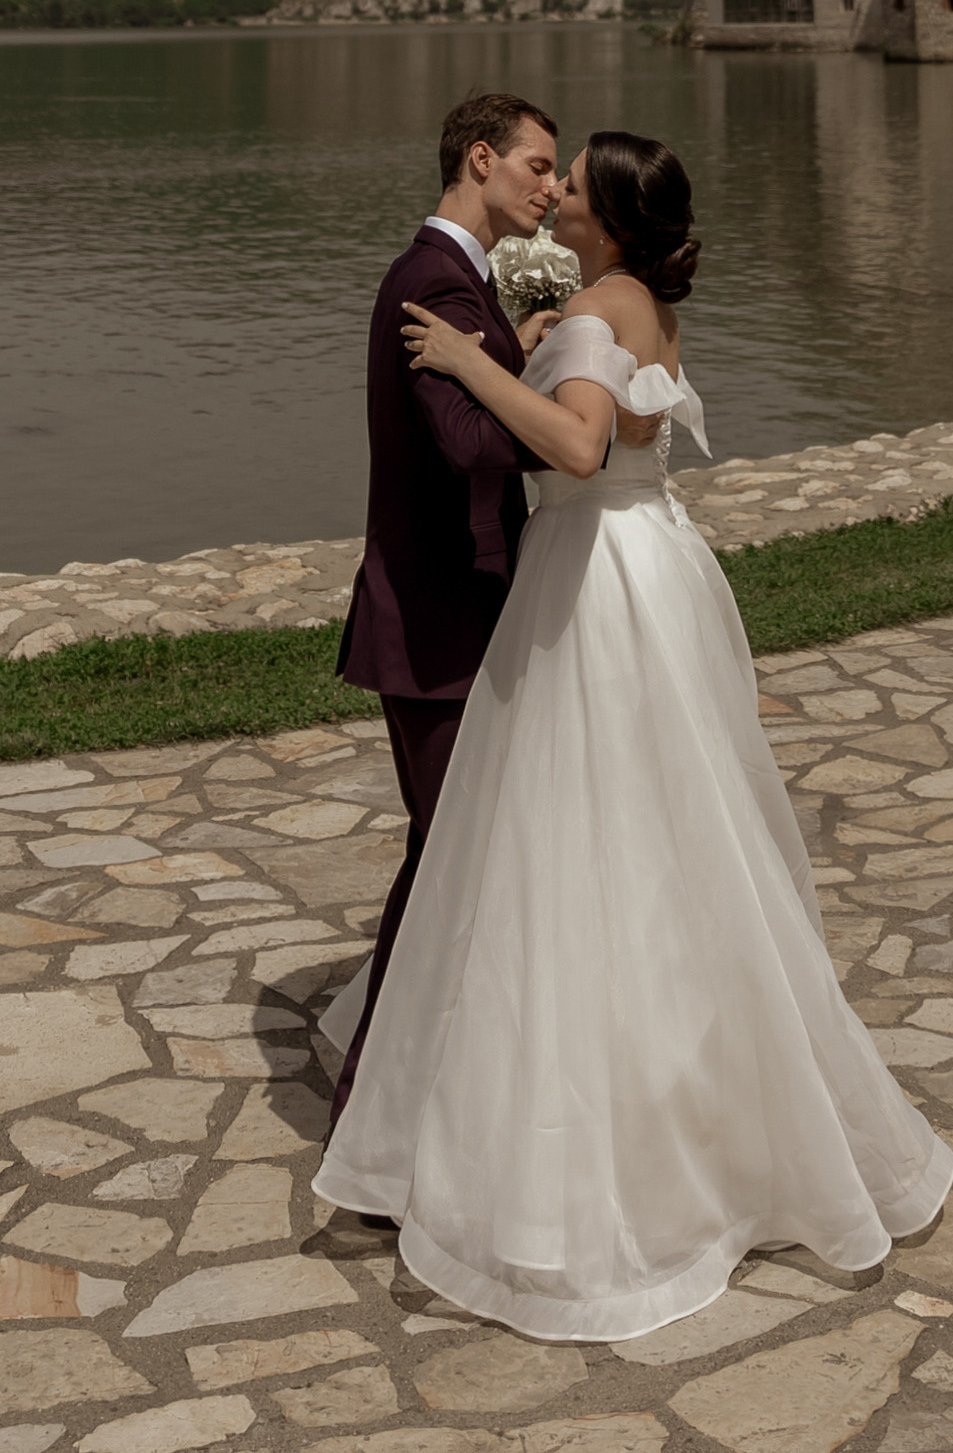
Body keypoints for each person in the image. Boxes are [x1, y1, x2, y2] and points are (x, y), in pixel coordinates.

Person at [315, 128, 953, 1341]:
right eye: (542, 171)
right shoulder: (646, 302)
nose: (553, 191)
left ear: (604, 214)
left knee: (573, 847)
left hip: (594, 574)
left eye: (572, 180)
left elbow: (574, 444)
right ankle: (714, 1106)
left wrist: (464, 353)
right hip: (658, 564)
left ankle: (589, 1148)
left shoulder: (598, 303)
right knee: (678, 840)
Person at [325, 90, 564, 1130]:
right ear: (481, 157)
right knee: (445, 868)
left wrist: (511, 348)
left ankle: (442, 1099)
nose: (551, 188)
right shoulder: (435, 283)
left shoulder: (458, 285)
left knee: (458, 859)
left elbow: (466, 411)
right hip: (436, 622)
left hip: (449, 615)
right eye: (538, 166)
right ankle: (372, 1115)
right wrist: (563, 417)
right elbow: (470, 444)